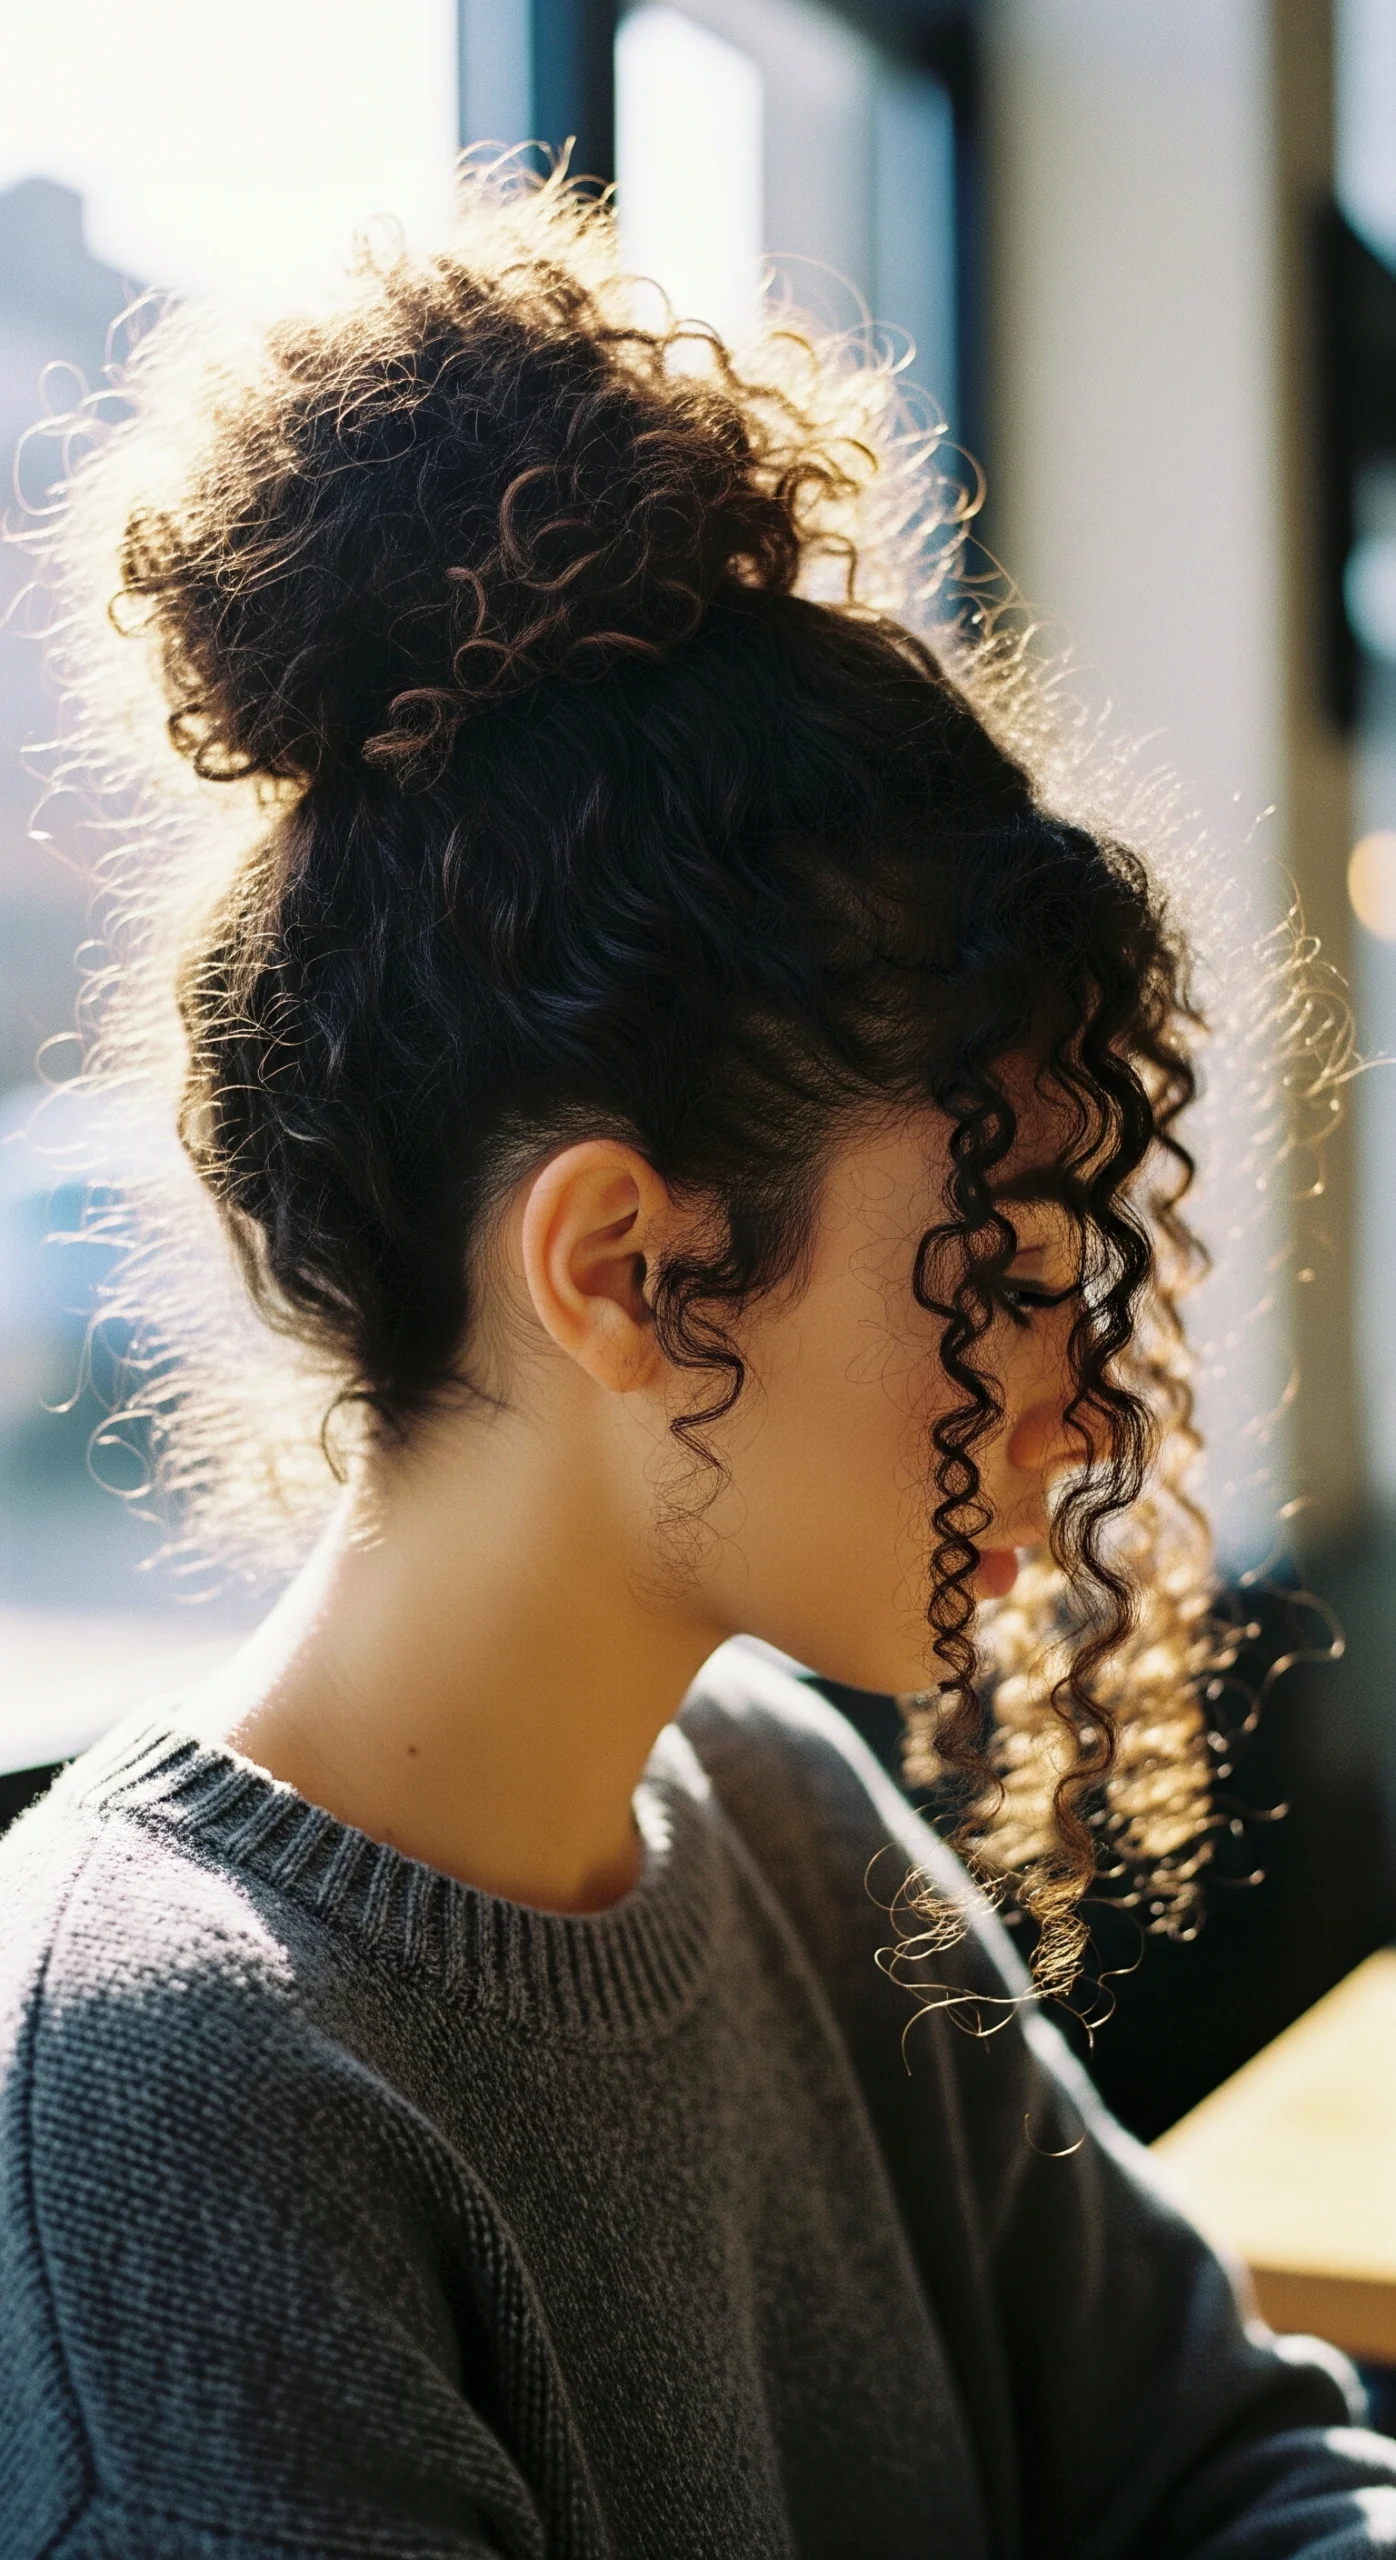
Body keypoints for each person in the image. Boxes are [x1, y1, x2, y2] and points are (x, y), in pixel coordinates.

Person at [2, 167, 1393, 2559]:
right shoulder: (176, 2109)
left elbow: (1234, 2464)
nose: (1075, 1390)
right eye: (1010, 1264)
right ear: (629, 1271)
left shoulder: (761, 1796)